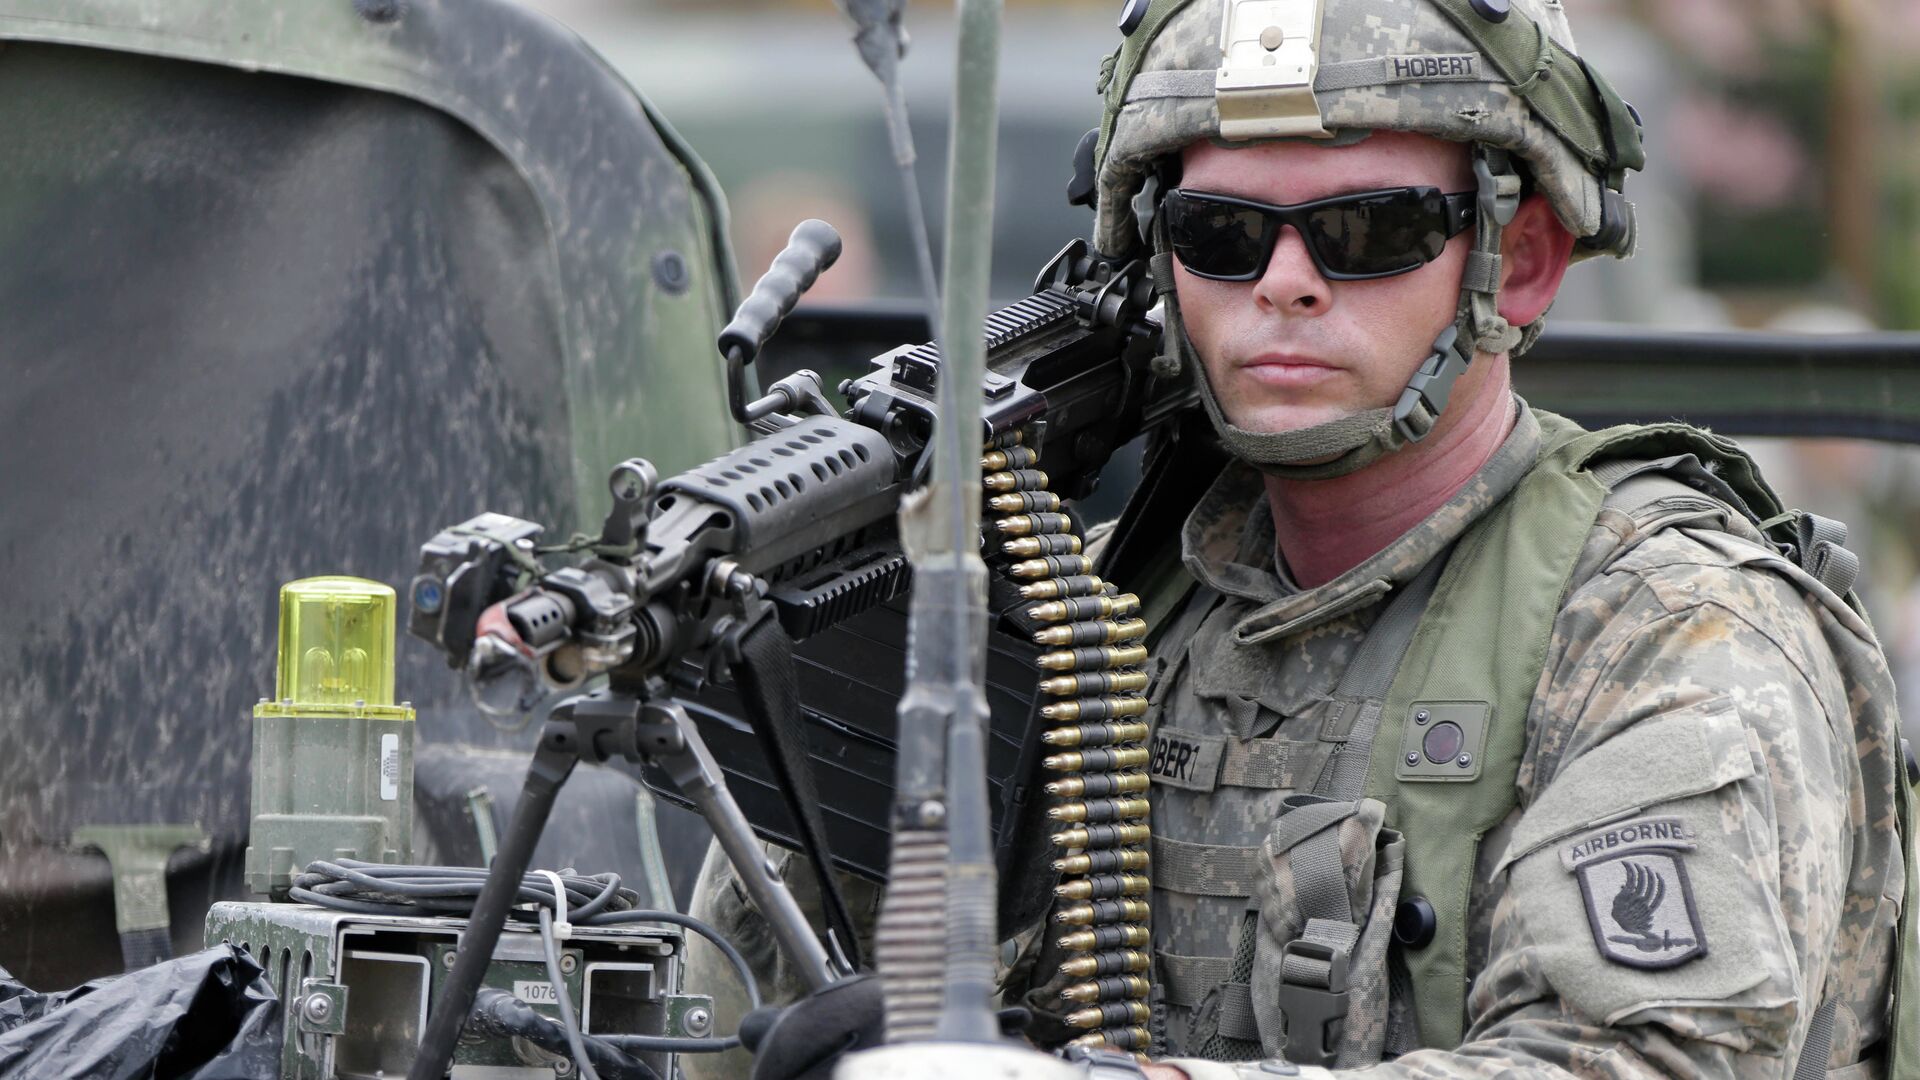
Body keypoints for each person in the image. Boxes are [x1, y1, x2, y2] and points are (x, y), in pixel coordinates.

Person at [687, 1, 1917, 1077]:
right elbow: (731, 1004)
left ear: (1522, 262)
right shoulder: (1090, 609)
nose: (1284, 281)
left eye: (1369, 231)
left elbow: (1640, 1062)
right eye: (1222, 234)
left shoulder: (1671, 633)